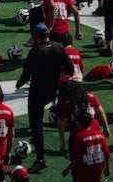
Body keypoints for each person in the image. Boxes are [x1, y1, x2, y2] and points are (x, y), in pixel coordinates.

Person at [16, 23, 73, 170]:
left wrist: (19, 84)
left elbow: (26, 74)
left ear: (35, 37)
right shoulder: (59, 47)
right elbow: (70, 69)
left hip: (37, 92)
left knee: (36, 125)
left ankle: (40, 158)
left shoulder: (35, 52)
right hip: (53, 90)